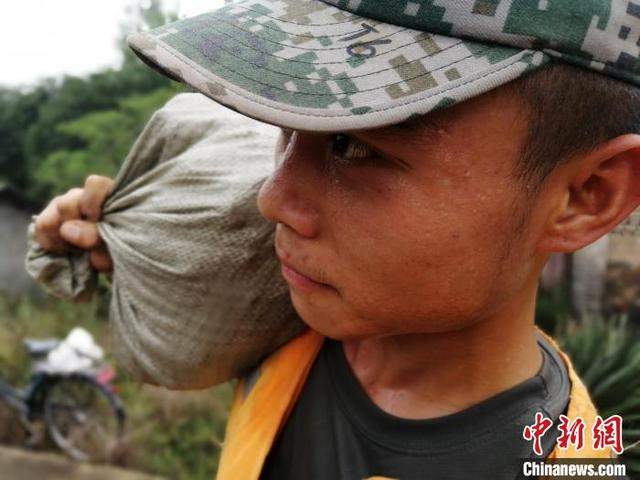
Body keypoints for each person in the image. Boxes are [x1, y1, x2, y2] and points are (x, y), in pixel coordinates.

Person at [33, 1, 638, 478]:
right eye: (286, 129)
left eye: (356, 146)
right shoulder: (280, 306)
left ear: (587, 197)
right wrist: (129, 238)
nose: (273, 199)